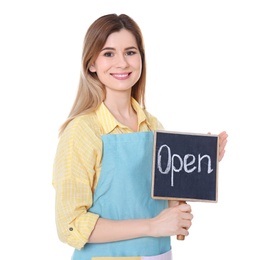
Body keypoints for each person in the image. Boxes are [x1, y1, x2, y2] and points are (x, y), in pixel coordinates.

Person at [52, 13, 228, 260]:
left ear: (141, 59)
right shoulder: (82, 131)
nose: (122, 63)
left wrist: (200, 166)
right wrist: (152, 226)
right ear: (91, 63)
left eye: (130, 52)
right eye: (109, 53)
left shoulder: (153, 126)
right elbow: (70, 225)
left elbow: (159, 204)